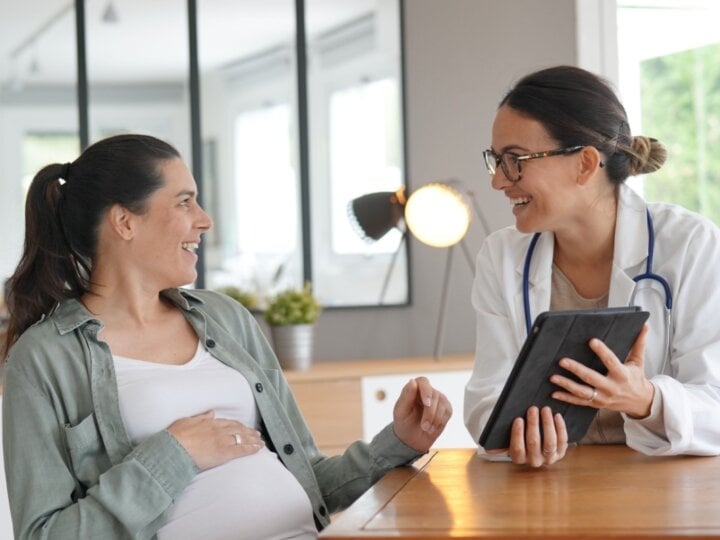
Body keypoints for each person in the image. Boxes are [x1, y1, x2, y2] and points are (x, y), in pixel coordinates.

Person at [2, 133, 452, 539]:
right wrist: (173, 455)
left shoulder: (224, 319)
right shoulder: (43, 359)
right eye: (184, 202)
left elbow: (310, 476)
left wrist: (399, 441)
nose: (204, 220)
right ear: (124, 222)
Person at [464, 65, 720, 468]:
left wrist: (646, 400)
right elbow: (486, 399)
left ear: (584, 164)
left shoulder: (689, 244)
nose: (499, 181)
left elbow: (716, 405)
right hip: (552, 486)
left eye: (515, 160)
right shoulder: (502, 257)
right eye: (495, 160)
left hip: (666, 484)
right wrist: (517, 434)